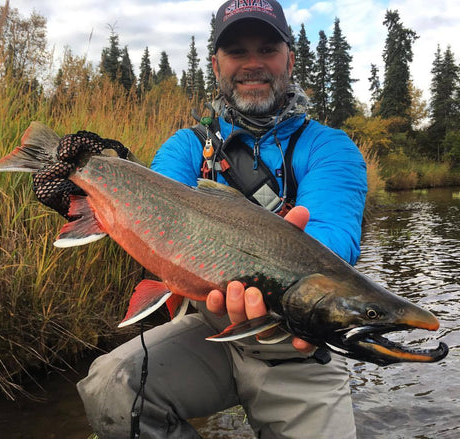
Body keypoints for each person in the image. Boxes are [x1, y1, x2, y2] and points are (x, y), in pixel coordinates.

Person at [65, 1, 367, 438]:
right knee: (111, 386)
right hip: (208, 328)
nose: (252, 64)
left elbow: (333, 243)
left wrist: (273, 280)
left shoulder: (328, 147)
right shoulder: (186, 147)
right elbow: (154, 215)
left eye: (267, 49)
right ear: (216, 64)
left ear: (290, 59)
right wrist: (92, 193)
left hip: (298, 346)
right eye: (236, 52)